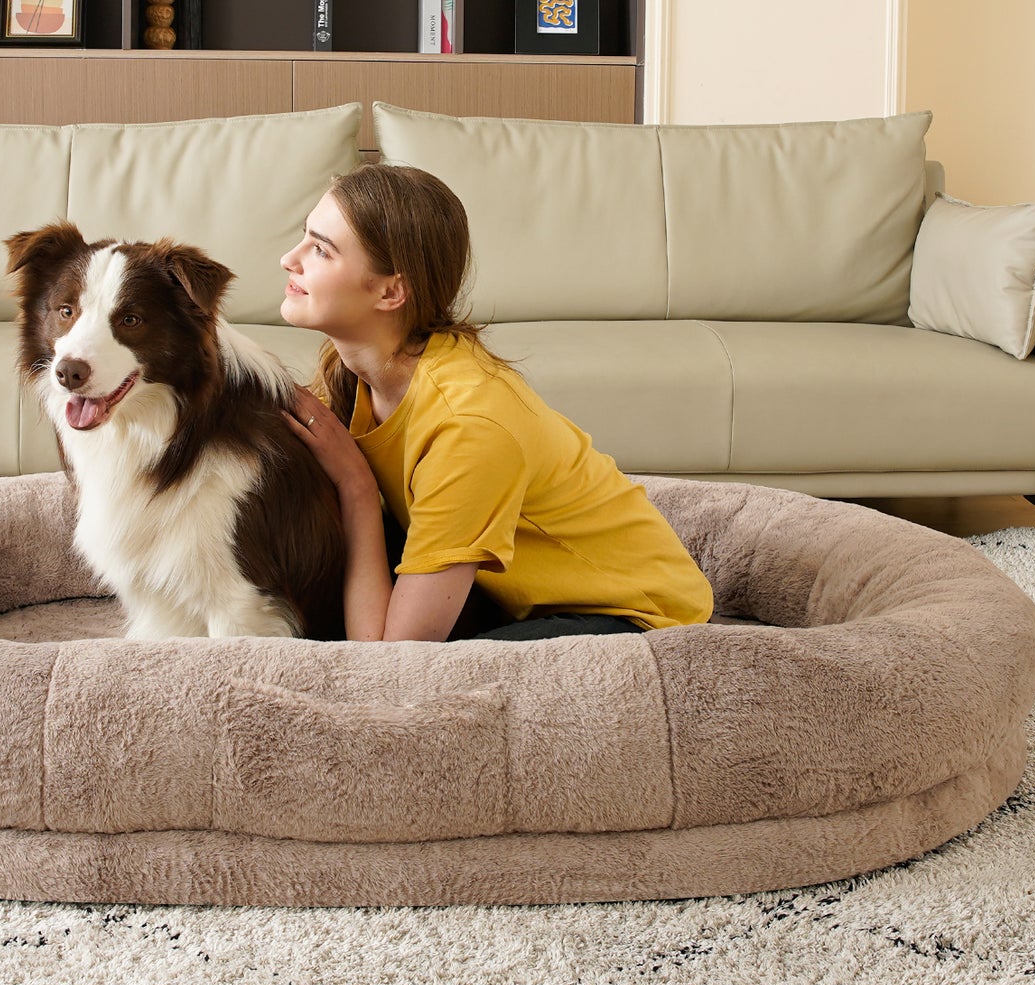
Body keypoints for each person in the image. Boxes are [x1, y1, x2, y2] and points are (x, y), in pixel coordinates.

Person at [279, 163, 714, 644]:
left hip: (635, 613)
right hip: (512, 590)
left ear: (391, 291)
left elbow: (389, 657)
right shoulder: (356, 374)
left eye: (321, 250)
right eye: (304, 238)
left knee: (440, 678)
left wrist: (356, 485)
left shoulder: (468, 424)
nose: (288, 259)